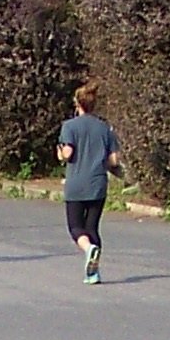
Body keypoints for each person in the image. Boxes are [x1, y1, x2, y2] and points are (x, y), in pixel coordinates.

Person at [54, 83, 122, 284]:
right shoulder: (105, 127)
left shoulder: (69, 126)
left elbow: (68, 154)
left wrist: (59, 153)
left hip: (76, 184)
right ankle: (93, 272)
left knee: (76, 227)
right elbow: (114, 161)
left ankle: (88, 249)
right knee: (92, 228)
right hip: (97, 184)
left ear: (77, 104)